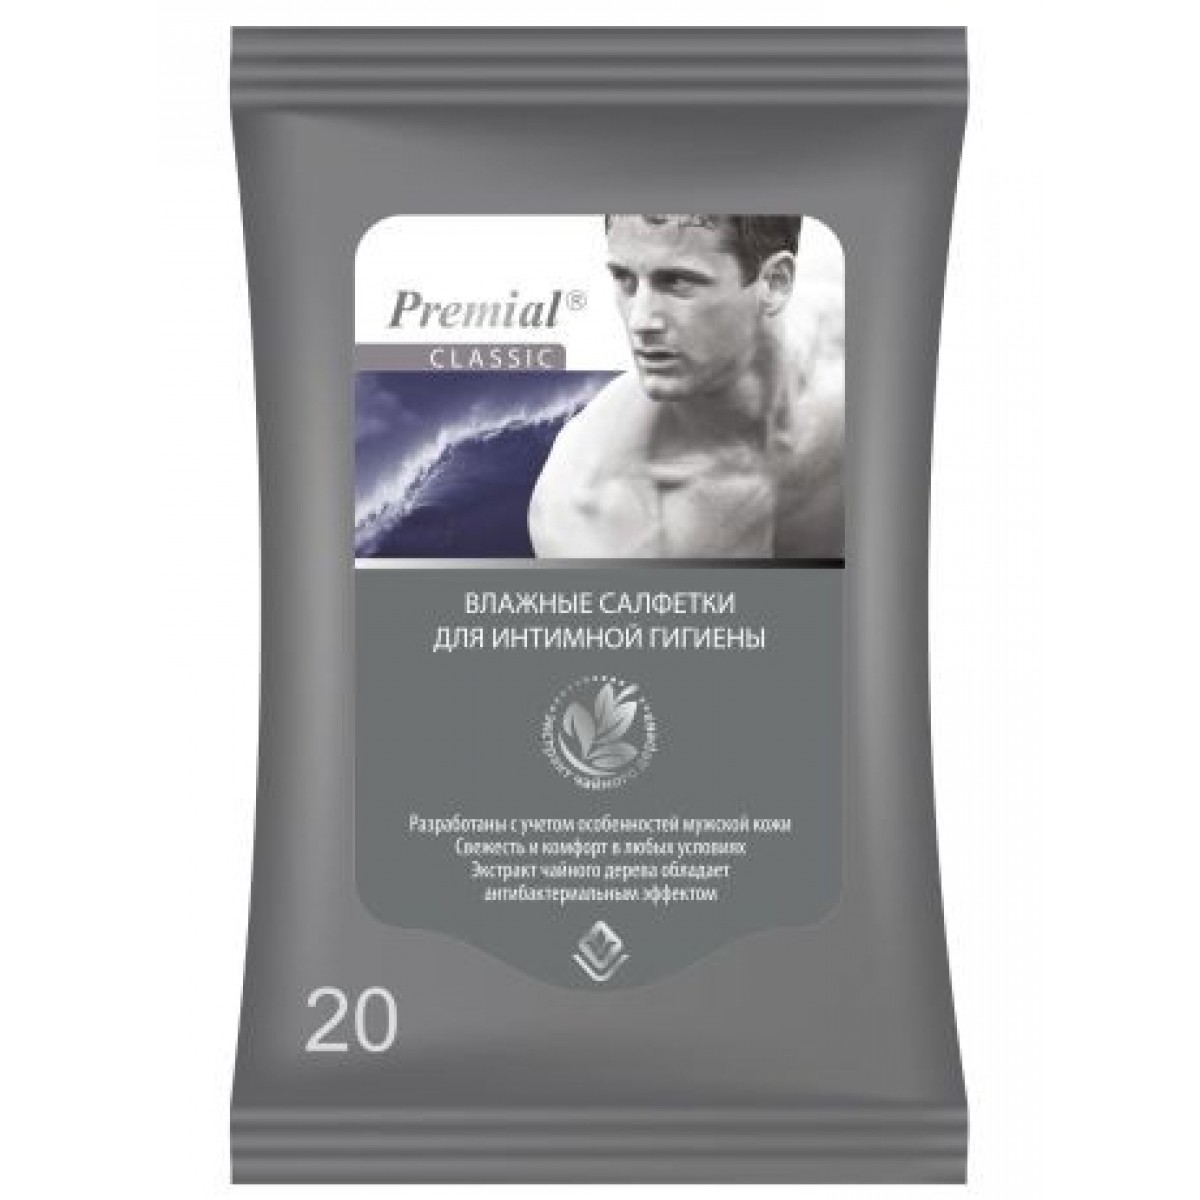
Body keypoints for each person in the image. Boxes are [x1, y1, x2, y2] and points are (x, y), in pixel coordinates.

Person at [528, 214, 844, 559]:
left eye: (676, 282)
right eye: (625, 279)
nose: (640, 321)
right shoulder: (589, 511)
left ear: (774, 283)